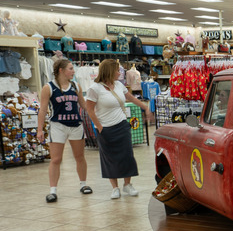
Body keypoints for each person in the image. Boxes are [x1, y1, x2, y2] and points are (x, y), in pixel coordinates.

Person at [84, 59, 150, 199]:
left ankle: (127, 185)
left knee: (127, 156)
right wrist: (100, 128)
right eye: (117, 70)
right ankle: (115, 188)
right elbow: (89, 110)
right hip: (105, 129)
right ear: (109, 71)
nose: (120, 73)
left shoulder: (119, 85)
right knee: (109, 158)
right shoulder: (94, 89)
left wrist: (145, 107)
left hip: (121, 126)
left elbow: (130, 98)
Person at [37, 58, 92, 203]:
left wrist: (97, 115)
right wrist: (39, 130)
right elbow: (42, 109)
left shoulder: (76, 86)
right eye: (70, 68)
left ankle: (83, 184)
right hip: (57, 126)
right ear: (61, 70)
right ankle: (53, 191)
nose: (73, 71)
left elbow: (84, 106)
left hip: (76, 125)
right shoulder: (48, 87)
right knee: (56, 159)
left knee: (79, 156)